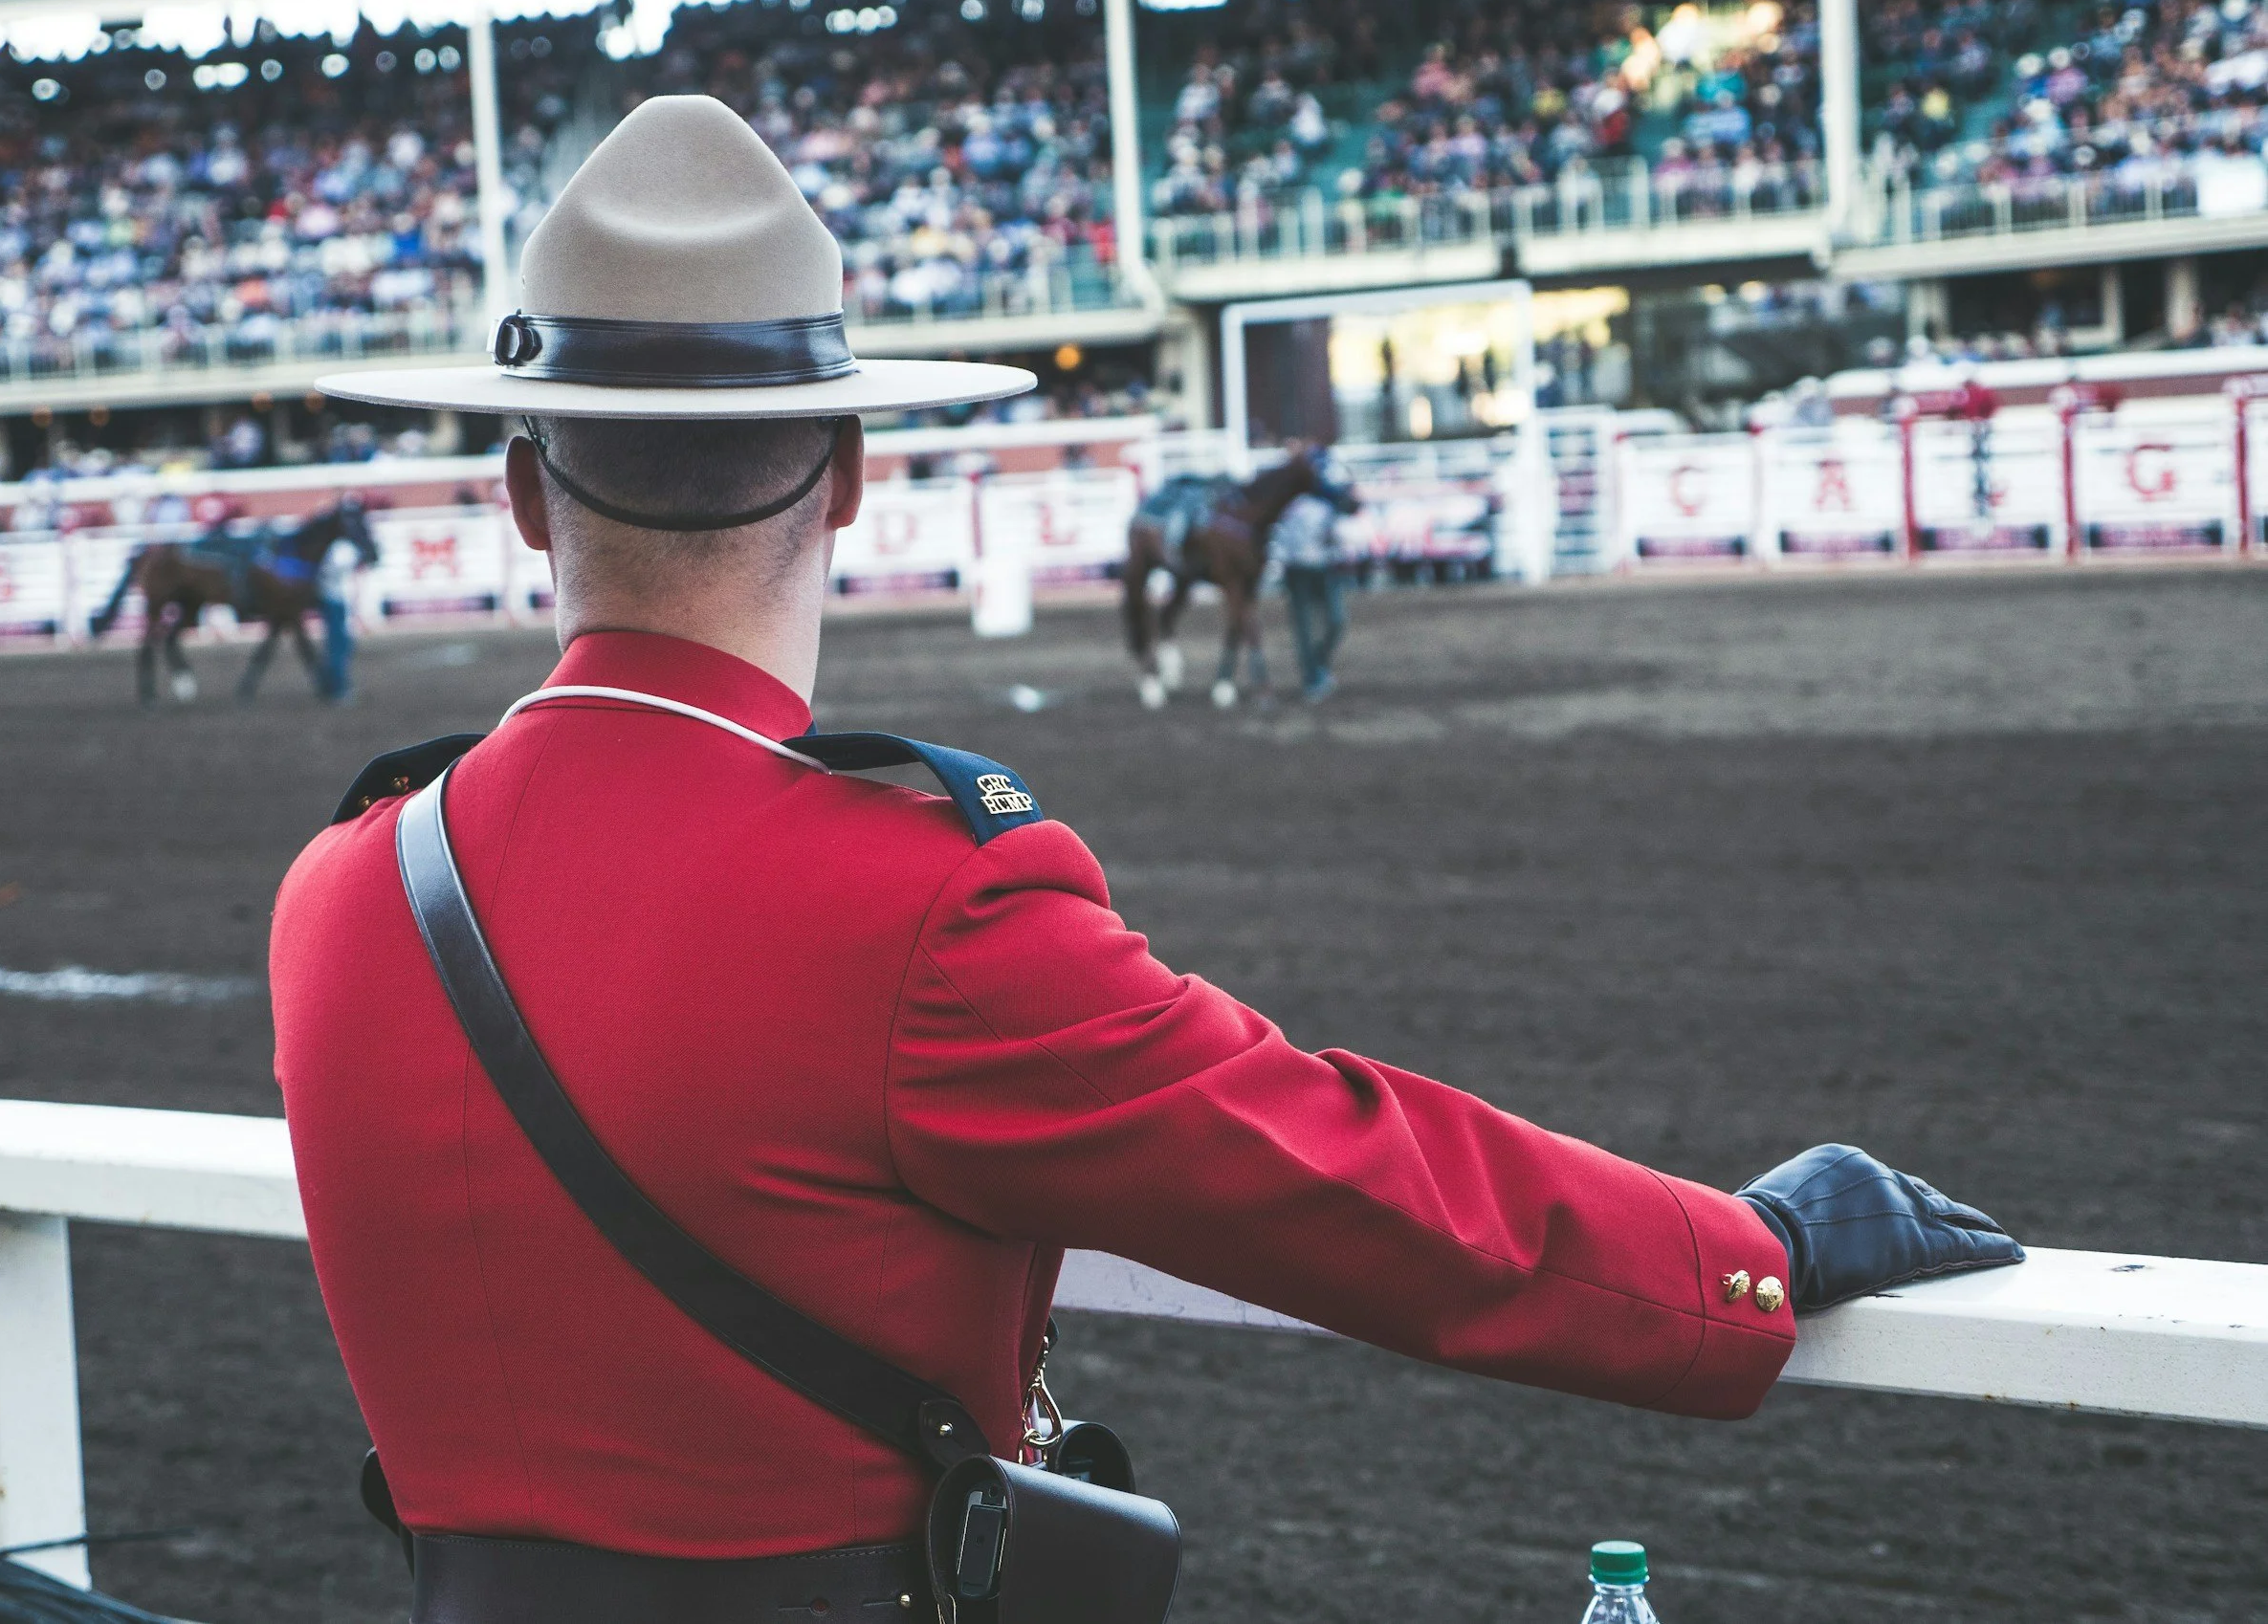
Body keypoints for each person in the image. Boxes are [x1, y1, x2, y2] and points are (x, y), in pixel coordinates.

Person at [270, 97, 2020, 1624]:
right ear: (854, 473)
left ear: (518, 490)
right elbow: (1344, 1177)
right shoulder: (913, 907)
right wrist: (1743, 1251)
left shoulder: (342, 886)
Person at [1269, 455, 1352, 701]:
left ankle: (1319, 665)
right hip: (1298, 572)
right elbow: (1281, 538)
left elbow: (1338, 538)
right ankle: (1313, 678)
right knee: (1304, 628)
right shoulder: (1292, 506)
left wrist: (1336, 547)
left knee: (1336, 621)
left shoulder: (1329, 506)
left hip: (1325, 570)